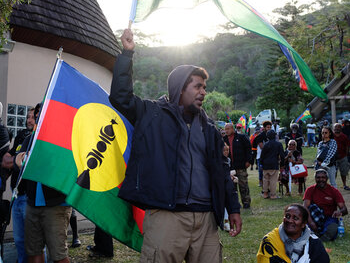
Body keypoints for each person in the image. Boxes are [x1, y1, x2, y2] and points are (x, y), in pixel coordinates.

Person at [109, 29, 241, 263]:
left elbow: (221, 170)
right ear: (180, 88)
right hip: (166, 216)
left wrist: (233, 208)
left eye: (204, 88)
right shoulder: (151, 113)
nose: (203, 92)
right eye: (198, 86)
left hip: (206, 220)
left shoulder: (210, 128)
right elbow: (121, 97)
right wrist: (127, 55)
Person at [22, 133, 72, 263]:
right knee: (33, 252)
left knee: (58, 255)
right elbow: (17, 160)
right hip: (32, 204)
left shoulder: (65, 136)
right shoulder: (31, 137)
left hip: (56, 205)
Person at [1, 106, 38, 263]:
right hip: (16, 196)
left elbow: (20, 162)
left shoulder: (38, 139)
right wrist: (18, 160)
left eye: (32, 117)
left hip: (29, 198)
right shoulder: (22, 135)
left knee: (34, 244)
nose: (29, 120)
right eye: (28, 117)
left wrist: (17, 160)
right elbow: (6, 161)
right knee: (19, 240)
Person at [257, 204, 329, 263]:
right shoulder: (269, 241)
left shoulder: (314, 242)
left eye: (295, 218)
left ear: (303, 224)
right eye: (287, 216)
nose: (290, 221)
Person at [303, 169, 348, 242]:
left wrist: (339, 212)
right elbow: (305, 207)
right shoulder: (310, 190)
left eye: (323, 177)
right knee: (305, 226)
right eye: (318, 177)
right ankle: (313, 233)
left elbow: (344, 209)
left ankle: (322, 235)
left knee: (330, 226)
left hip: (329, 217)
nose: (321, 179)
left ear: (327, 178)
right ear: (315, 178)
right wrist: (311, 222)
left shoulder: (334, 191)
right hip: (314, 217)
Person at [223, 123, 252, 209]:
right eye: (225, 129)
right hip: (229, 167)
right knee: (232, 187)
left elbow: (248, 149)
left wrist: (248, 161)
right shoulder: (223, 139)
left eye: (228, 129)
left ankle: (246, 202)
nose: (226, 131)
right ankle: (234, 203)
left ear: (232, 129)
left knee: (243, 185)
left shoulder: (241, 137)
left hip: (241, 166)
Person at [260, 130, 284, 199]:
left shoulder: (266, 144)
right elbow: (282, 155)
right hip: (274, 163)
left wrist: (261, 164)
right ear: (275, 136)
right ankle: (273, 195)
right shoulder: (278, 144)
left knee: (265, 179)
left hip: (265, 164)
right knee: (273, 179)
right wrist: (282, 164)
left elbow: (262, 155)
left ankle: (265, 193)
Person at [332, 123, 350, 190]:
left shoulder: (344, 136)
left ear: (341, 128)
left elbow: (347, 146)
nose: (337, 128)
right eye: (335, 127)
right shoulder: (331, 136)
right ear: (333, 128)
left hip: (343, 157)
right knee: (333, 172)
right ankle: (333, 186)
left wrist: (347, 154)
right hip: (333, 158)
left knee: (344, 172)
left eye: (338, 127)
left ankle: (345, 184)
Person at [255, 121, 273, 187]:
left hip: (269, 156)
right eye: (268, 127)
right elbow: (261, 146)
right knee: (261, 170)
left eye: (270, 127)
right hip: (261, 155)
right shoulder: (260, 136)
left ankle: (268, 182)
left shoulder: (271, 135)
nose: (269, 128)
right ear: (264, 128)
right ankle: (260, 181)